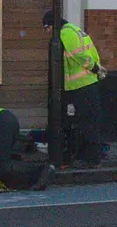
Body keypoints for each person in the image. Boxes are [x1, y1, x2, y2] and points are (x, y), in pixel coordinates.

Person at [43, 11, 105, 168]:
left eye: (46, 27)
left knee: (86, 122)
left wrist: (95, 68)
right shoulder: (75, 29)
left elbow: (80, 56)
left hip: (81, 85)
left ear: (53, 25)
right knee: (88, 120)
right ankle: (88, 155)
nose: (47, 32)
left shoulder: (66, 33)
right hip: (86, 83)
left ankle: (91, 158)